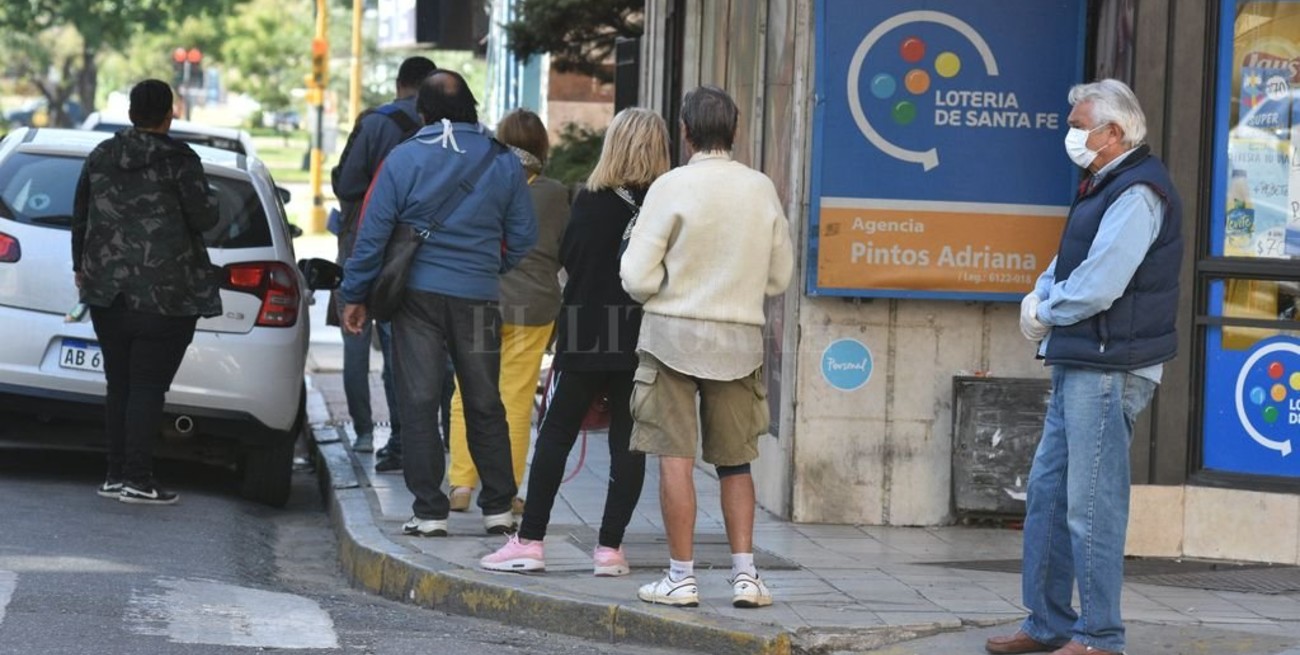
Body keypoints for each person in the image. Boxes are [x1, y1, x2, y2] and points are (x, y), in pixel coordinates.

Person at [986, 79, 1182, 655]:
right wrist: (1040, 296)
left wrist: (1045, 310)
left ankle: (1099, 636)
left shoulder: (1140, 191)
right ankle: (1047, 623)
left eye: (1078, 125)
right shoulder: (1105, 183)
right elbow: (1070, 259)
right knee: (1048, 495)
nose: (1070, 134)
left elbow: (1100, 283)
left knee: (1092, 505)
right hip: (1081, 360)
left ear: (1114, 132)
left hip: (1109, 366)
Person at [340, 71, 538, 537]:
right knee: (484, 400)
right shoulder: (503, 161)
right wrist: (489, 266)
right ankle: (497, 507)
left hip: (417, 300)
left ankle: (430, 511)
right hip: (477, 297)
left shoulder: (403, 158)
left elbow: (371, 237)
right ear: (471, 106)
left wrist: (354, 295)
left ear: (422, 112)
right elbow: (524, 236)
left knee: (420, 400)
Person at [620, 86, 793, 608]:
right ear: (735, 132)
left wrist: (665, 289)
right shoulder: (759, 189)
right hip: (737, 340)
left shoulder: (671, 186)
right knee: (736, 461)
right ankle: (746, 576)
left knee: (676, 458)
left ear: (685, 131)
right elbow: (780, 274)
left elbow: (635, 276)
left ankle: (681, 577)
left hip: (671, 336)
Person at [479, 108, 670, 575]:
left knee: (557, 434)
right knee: (629, 443)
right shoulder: (666, 206)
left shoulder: (587, 200)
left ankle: (530, 541)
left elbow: (572, 261)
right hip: (643, 337)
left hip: (587, 332)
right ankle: (610, 550)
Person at [71, 79, 221, 505]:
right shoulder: (179, 161)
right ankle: (139, 478)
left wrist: (80, 268)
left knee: (118, 384)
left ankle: (115, 475)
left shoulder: (101, 154)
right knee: (147, 388)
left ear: (131, 111)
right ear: (169, 113)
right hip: (164, 296)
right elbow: (204, 216)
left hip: (106, 294)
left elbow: (80, 216)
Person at [447, 109, 570, 513]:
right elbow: (564, 249)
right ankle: (508, 491)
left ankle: (461, 485)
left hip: (479, 299)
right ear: (541, 147)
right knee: (515, 399)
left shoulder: (480, 183)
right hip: (533, 306)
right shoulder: (555, 194)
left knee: (468, 393)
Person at [330, 55, 438, 471]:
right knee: (404, 353)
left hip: (363, 246)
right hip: (413, 256)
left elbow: (346, 182)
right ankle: (404, 438)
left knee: (356, 341)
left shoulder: (374, 123)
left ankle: (361, 430)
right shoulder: (445, 129)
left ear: (399, 83)